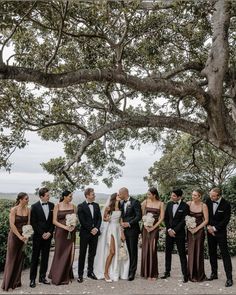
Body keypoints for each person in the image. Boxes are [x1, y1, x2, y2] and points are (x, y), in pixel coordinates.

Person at [94, 193, 130, 282]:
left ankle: (116, 272)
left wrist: (122, 233)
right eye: (118, 195)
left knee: (118, 252)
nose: (119, 196)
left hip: (118, 229)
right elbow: (104, 219)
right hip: (111, 230)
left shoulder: (121, 207)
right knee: (112, 251)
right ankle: (105, 273)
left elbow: (121, 221)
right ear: (114, 197)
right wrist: (108, 219)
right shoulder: (108, 207)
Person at [1, 193, 30, 291]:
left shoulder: (28, 210)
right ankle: (7, 284)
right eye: (26, 199)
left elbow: (28, 224)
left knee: (19, 258)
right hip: (14, 236)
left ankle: (16, 282)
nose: (27, 200)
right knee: (11, 259)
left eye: (28, 198)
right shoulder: (14, 209)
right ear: (21, 199)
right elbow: (12, 225)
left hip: (23, 237)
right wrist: (19, 236)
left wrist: (26, 236)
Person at [206, 187, 233, 287]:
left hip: (220, 233)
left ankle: (229, 278)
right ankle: (214, 273)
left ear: (219, 195)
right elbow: (206, 216)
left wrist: (215, 228)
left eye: (213, 196)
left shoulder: (226, 204)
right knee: (211, 252)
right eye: (210, 195)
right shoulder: (208, 201)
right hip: (209, 231)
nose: (211, 197)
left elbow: (226, 220)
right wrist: (208, 227)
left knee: (225, 254)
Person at [48, 190, 77, 285]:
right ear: (64, 197)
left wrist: (73, 226)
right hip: (60, 233)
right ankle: (57, 276)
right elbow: (54, 221)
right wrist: (65, 227)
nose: (71, 198)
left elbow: (75, 219)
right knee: (59, 253)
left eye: (71, 196)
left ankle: (66, 274)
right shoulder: (57, 206)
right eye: (69, 196)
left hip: (71, 233)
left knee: (69, 253)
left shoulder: (73, 206)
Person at [161, 189, 189, 283]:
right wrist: (169, 229)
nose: (171, 197)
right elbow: (166, 218)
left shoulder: (185, 206)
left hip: (179, 233)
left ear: (179, 197)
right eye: (171, 195)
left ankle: (185, 274)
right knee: (167, 252)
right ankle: (167, 272)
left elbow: (183, 221)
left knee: (182, 254)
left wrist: (174, 230)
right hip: (169, 233)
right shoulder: (169, 204)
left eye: (173, 196)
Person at [29, 187, 54, 288]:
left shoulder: (52, 205)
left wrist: (50, 232)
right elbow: (33, 223)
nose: (49, 197)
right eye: (47, 195)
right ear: (41, 196)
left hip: (48, 236)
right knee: (35, 258)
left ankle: (43, 277)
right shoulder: (34, 207)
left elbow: (53, 222)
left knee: (45, 257)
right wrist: (42, 233)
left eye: (49, 195)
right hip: (38, 237)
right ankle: (32, 279)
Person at [77, 188, 102, 283]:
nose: (94, 195)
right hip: (85, 234)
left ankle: (90, 272)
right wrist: (91, 229)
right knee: (82, 254)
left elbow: (99, 218)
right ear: (87, 195)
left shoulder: (96, 205)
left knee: (92, 254)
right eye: (93, 194)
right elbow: (82, 221)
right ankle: (80, 274)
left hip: (95, 234)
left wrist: (96, 228)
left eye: (94, 194)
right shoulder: (81, 206)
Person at [141, 187, 164, 280]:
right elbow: (142, 215)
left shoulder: (161, 204)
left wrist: (154, 227)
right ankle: (146, 273)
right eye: (147, 194)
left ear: (154, 195)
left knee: (153, 249)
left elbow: (161, 218)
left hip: (154, 229)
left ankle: (153, 273)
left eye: (149, 194)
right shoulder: (145, 202)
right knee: (146, 249)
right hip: (145, 228)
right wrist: (145, 225)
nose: (148, 196)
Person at [119, 187, 142, 281]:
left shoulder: (135, 202)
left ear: (125, 193)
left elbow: (139, 216)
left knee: (133, 251)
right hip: (124, 230)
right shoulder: (121, 203)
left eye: (120, 194)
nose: (119, 195)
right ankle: (126, 270)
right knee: (126, 250)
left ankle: (132, 272)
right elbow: (121, 215)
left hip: (132, 230)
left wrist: (129, 223)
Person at [186, 189, 208, 282]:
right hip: (190, 230)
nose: (193, 196)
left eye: (195, 195)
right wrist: (189, 226)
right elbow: (185, 217)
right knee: (191, 251)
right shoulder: (188, 204)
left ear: (200, 196)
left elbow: (206, 220)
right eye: (192, 195)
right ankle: (190, 274)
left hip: (199, 231)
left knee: (198, 251)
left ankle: (199, 274)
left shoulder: (204, 206)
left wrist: (197, 229)